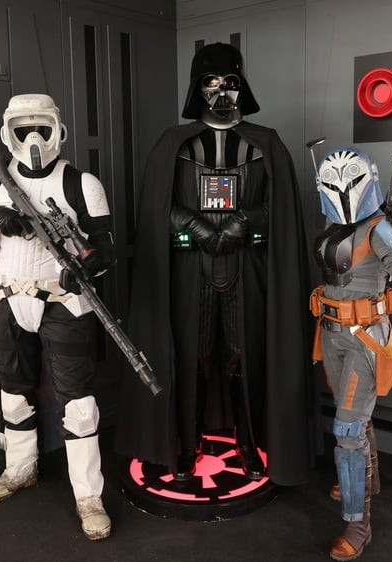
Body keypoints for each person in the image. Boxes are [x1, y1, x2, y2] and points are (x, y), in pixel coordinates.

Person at [115, 42, 314, 486]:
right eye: (211, 82)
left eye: (230, 82)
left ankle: (249, 440)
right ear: (196, 88)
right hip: (191, 267)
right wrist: (190, 223)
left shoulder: (267, 143)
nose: (221, 91)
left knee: (245, 352)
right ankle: (188, 442)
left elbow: (282, 207)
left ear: (243, 86)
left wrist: (247, 220)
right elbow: (155, 206)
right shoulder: (172, 143)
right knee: (195, 353)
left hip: (248, 267)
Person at [0, 93, 116, 541]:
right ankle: (20, 467)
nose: (34, 138)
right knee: (13, 389)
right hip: (5, 297)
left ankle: (88, 495)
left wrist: (87, 270)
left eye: (42, 128)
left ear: (58, 130)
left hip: (62, 301)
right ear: (9, 134)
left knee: (78, 402)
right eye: (24, 130)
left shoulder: (82, 183)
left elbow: (105, 249)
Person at [308, 147, 392, 560]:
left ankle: (359, 524)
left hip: (364, 339)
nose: (342, 192)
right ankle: (366, 481)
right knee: (353, 418)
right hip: (331, 334)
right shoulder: (332, 226)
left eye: (349, 183)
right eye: (333, 184)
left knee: (347, 429)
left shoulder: (380, 228)